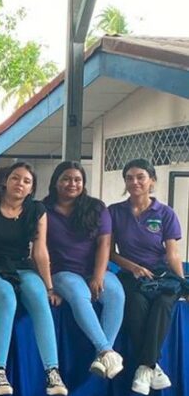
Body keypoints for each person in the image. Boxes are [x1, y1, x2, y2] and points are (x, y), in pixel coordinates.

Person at [0, 162, 66, 396]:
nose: (19, 184)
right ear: (6, 181)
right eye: (15, 178)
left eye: (26, 181)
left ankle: (52, 372)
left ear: (31, 188)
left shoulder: (37, 210)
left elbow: (40, 251)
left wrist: (50, 286)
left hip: (23, 267)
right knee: (7, 299)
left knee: (39, 297)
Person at [109, 158, 185, 395]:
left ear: (151, 180)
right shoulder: (114, 212)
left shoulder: (165, 213)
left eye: (140, 177)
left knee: (164, 303)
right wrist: (132, 267)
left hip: (161, 274)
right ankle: (153, 366)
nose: (135, 182)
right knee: (137, 304)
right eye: (129, 178)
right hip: (130, 276)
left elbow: (172, 254)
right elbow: (109, 252)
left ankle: (145, 367)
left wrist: (182, 285)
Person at [44, 162, 125, 380]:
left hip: (94, 268)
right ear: (56, 182)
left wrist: (98, 276)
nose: (72, 183)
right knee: (80, 295)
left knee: (116, 294)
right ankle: (107, 351)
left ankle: (102, 358)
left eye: (77, 180)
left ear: (84, 183)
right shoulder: (43, 209)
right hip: (62, 271)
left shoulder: (96, 207)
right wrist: (49, 287)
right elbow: (38, 249)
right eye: (66, 179)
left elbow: (104, 245)